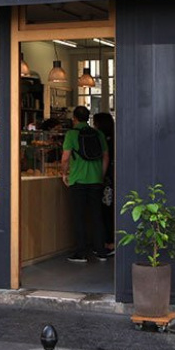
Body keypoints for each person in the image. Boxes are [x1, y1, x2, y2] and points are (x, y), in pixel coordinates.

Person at [61, 106, 109, 263]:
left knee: (79, 217)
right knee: (97, 216)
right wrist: (100, 175)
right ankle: (101, 251)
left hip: (78, 180)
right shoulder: (99, 134)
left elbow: (65, 158)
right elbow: (105, 157)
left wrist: (64, 173)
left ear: (74, 118)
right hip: (95, 180)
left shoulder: (71, 134)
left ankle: (81, 253)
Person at [92, 112, 115, 254]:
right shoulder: (115, 137)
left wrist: (100, 176)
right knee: (110, 211)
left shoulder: (102, 140)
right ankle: (109, 242)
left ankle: (109, 243)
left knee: (106, 211)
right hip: (114, 179)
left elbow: (105, 158)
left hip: (107, 181)